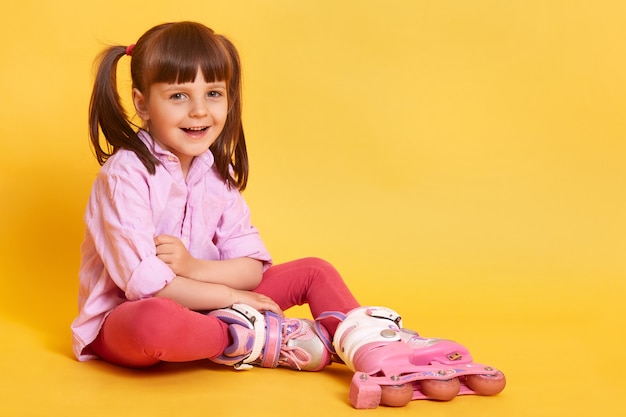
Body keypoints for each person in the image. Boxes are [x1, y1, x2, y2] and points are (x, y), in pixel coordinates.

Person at [71, 21, 360, 370]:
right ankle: (248, 338)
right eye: (178, 95)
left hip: (209, 306)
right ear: (142, 103)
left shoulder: (215, 176)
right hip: (126, 320)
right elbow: (149, 288)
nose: (199, 111)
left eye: (213, 93)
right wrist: (231, 297)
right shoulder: (124, 176)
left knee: (314, 270)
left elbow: (251, 269)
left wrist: (194, 267)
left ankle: (363, 343)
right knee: (155, 321)